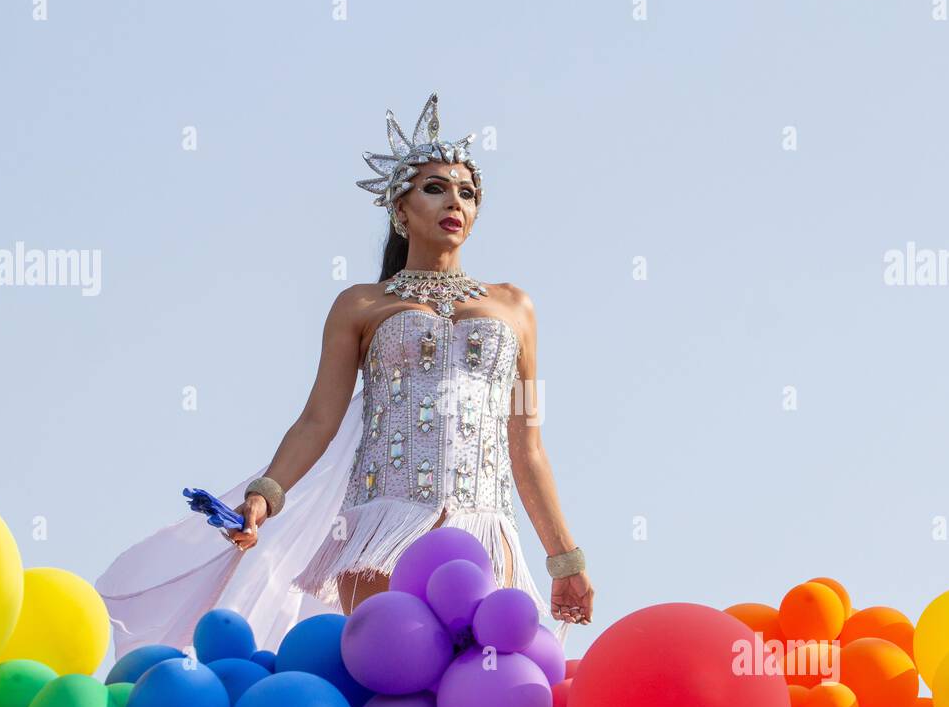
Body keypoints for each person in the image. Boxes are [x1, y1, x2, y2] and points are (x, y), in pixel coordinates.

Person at [96, 93, 593, 657]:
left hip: (484, 527)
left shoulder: (516, 308)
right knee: (396, 670)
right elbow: (317, 419)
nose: (455, 201)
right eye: (434, 188)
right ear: (400, 211)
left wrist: (565, 559)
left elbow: (527, 446)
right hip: (380, 528)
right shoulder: (360, 306)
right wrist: (264, 497)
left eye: (468, 192)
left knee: (480, 680)